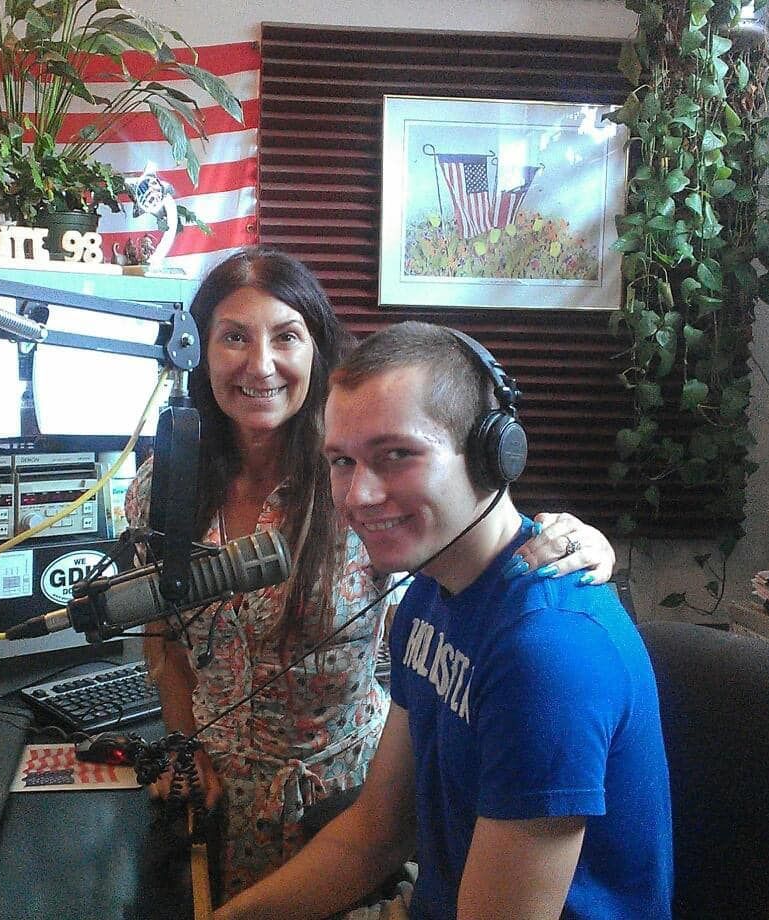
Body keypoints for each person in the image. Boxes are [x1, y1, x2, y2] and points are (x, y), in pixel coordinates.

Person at [121, 248, 620, 900]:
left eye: (286, 337)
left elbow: (471, 553)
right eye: (233, 338)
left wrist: (573, 543)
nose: (260, 363)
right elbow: (161, 634)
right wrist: (183, 745)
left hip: (354, 798)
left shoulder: (361, 493)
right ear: (198, 352)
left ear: (317, 351)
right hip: (214, 796)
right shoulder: (163, 489)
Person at [215, 321, 672, 920]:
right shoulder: (430, 594)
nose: (358, 495)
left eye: (396, 455)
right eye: (342, 461)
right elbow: (377, 832)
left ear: (494, 452)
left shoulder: (548, 654)